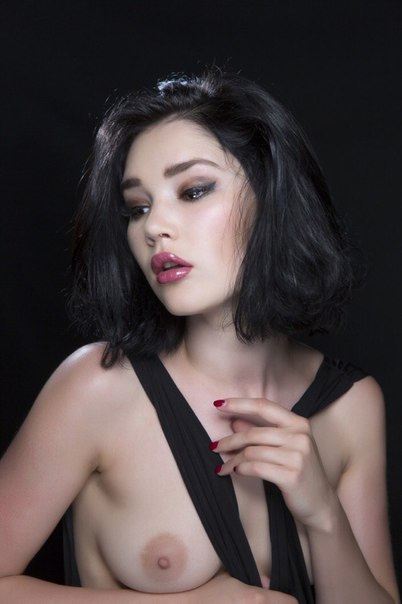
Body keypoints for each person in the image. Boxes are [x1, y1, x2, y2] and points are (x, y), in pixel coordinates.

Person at [0, 70, 399, 604]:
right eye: (137, 208)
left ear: (272, 198)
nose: (153, 228)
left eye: (192, 191)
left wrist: (324, 515)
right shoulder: (98, 388)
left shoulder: (352, 406)